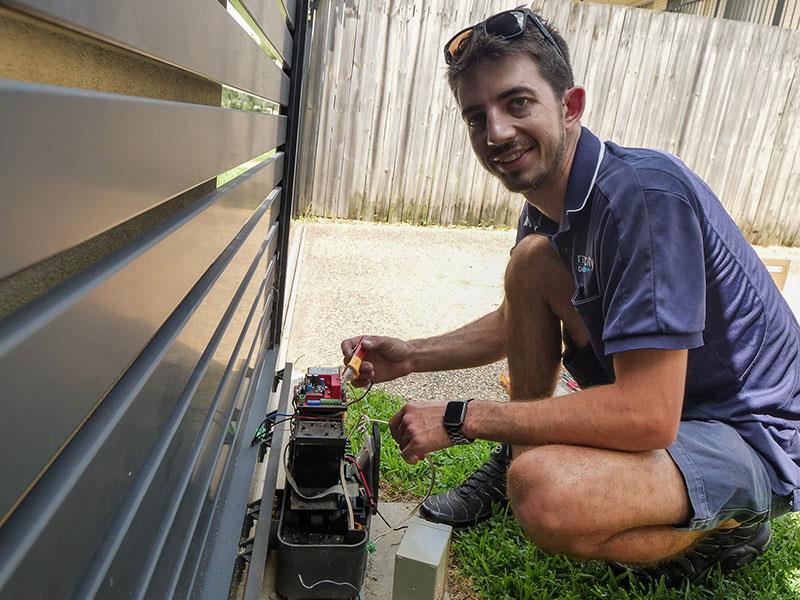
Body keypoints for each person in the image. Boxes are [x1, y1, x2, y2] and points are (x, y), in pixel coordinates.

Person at [341, 7, 800, 584]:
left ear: (570, 105)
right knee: (528, 267)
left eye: (517, 103)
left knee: (544, 495)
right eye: (477, 117)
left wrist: (464, 419)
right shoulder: (543, 207)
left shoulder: (644, 199)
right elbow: (517, 319)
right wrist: (409, 358)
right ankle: (519, 455)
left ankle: (729, 527)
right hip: (673, 409)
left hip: (745, 433)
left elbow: (649, 416)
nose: (497, 133)